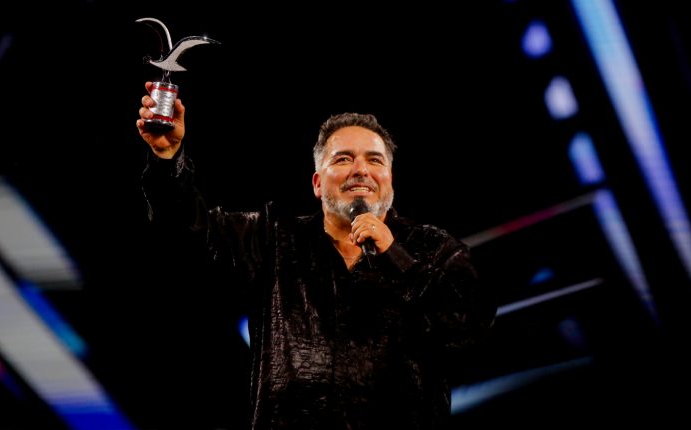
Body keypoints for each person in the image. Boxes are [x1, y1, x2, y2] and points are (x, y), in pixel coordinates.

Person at [136, 81, 497, 429]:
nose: (361, 170)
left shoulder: (433, 249)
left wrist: (395, 256)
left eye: (375, 160)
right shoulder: (273, 239)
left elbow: (471, 327)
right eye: (343, 159)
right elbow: (185, 230)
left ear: (390, 180)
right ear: (317, 183)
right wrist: (167, 160)